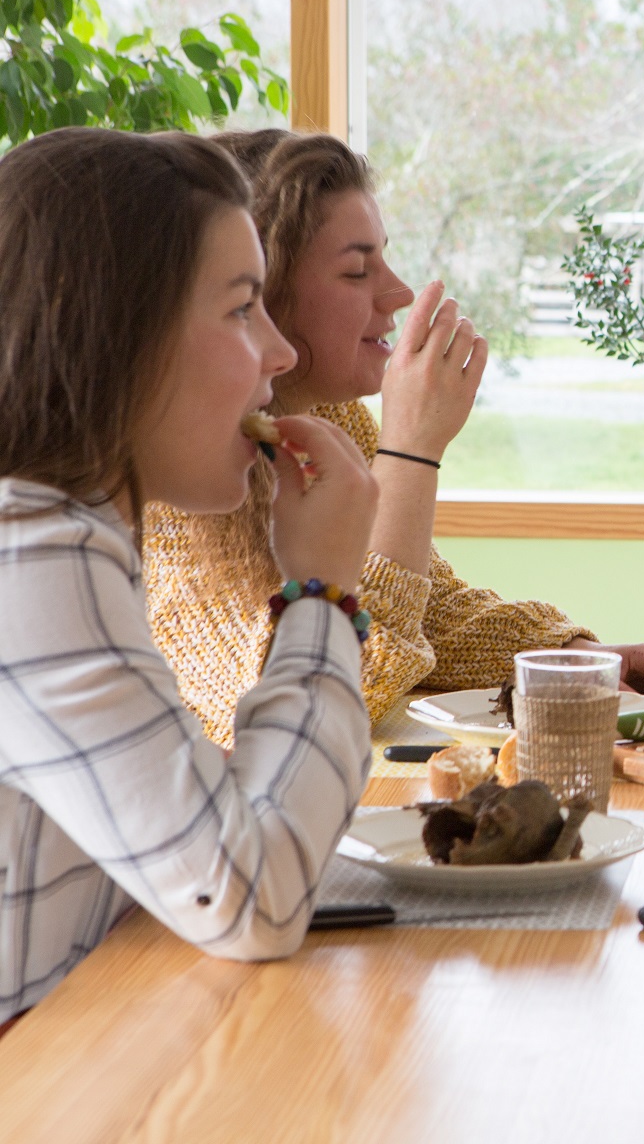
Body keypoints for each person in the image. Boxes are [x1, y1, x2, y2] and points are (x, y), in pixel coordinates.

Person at [143, 130, 644, 744]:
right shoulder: (187, 484)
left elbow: (423, 608)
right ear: (260, 289)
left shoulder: (327, 418)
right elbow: (341, 696)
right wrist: (411, 451)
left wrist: (564, 658)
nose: (399, 292)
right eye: (358, 270)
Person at [0, 127, 379, 1028]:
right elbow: (251, 896)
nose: (281, 356)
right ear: (116, 333)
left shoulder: (69, 533)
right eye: (244, 307)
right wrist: (321, 594)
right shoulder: (37, 554)